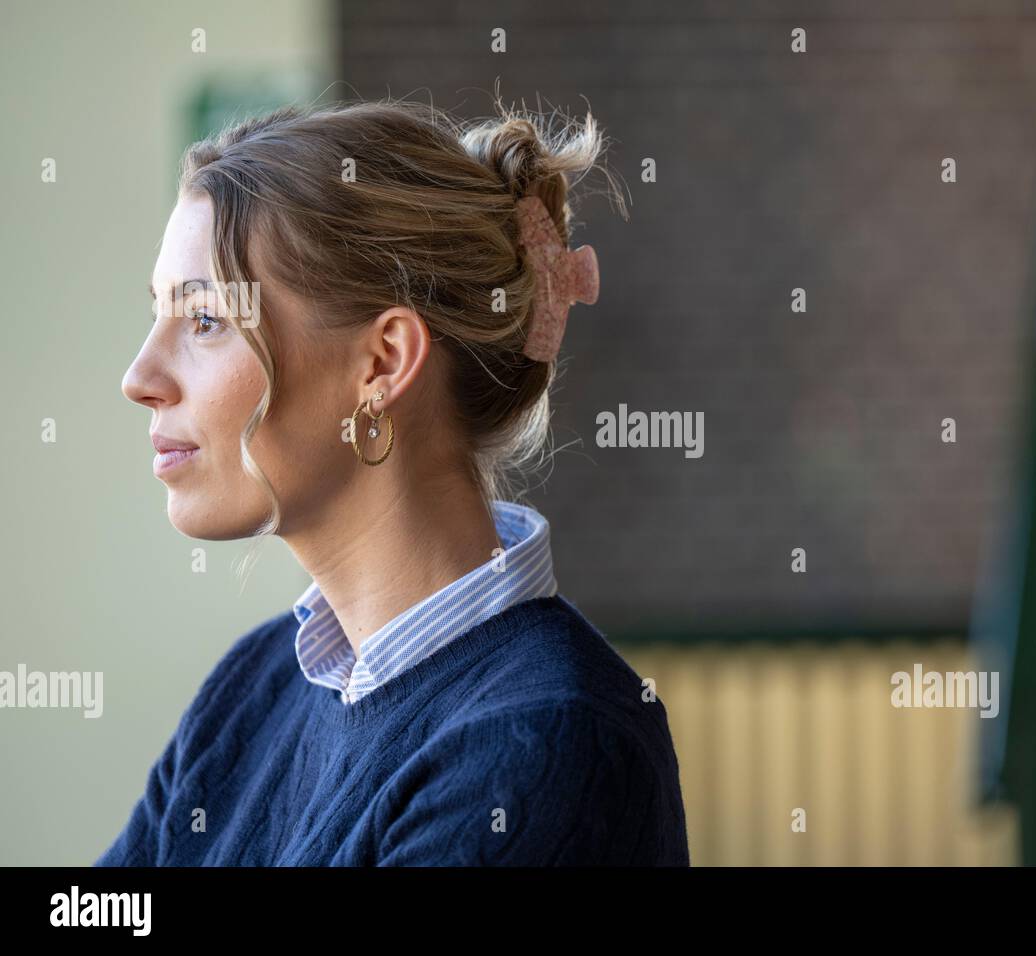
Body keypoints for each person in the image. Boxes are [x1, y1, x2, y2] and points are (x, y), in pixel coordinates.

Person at [100, 96, 689, 866]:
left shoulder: (548, 745)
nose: (139, 377)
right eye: (160, 316)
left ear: (381, 365)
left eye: (205, 320)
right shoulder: (253, 686)